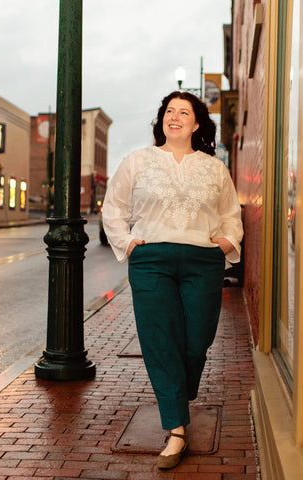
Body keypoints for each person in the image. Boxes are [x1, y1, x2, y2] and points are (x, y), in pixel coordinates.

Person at [102, 91, 243, 469]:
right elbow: (113, 207)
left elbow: (231, 213)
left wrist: (227, 241)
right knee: (159, 338)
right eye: (169, 111)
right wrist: (130, 244)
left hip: (203, 259)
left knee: (198, 339)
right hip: (152, 261)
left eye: (184, 112)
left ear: (197, 123)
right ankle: (176, 427)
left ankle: (177, 394)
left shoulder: (214, 168)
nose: (174, 117)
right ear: (161, 120)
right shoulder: (138, 161)